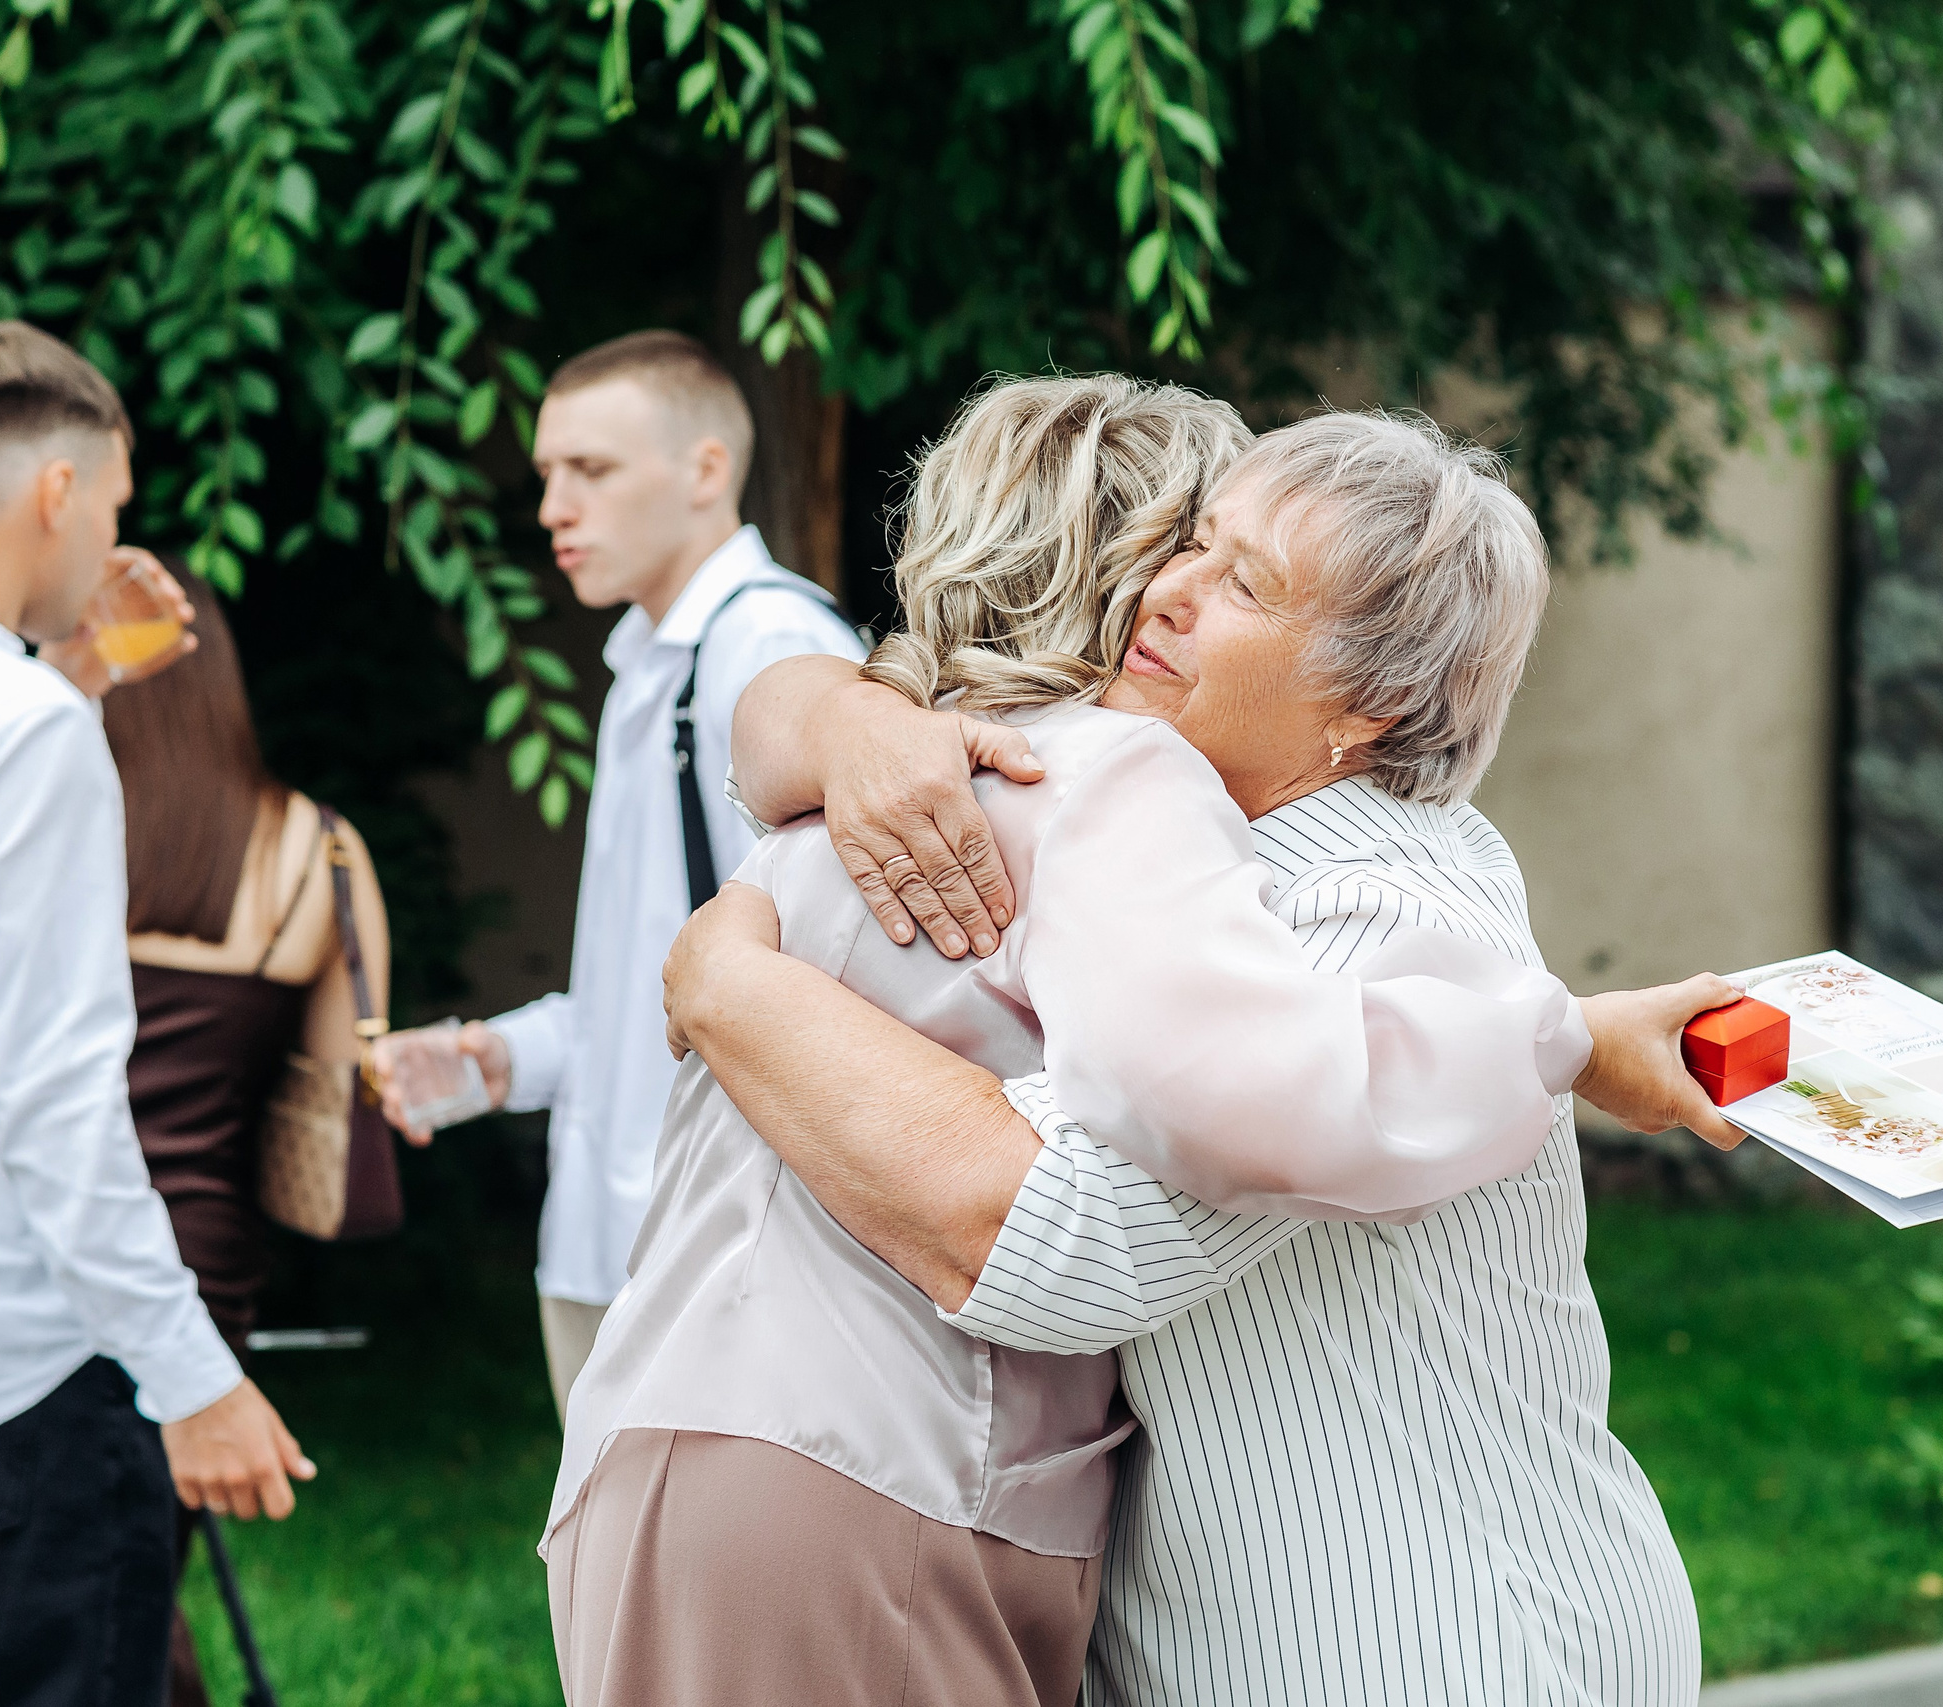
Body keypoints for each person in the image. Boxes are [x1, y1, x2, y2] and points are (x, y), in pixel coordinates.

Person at [543, 378, 1730, 1707]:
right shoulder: (1146, 839)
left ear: (1371, 708)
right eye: (1192, 547)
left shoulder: (1362, 899)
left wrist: (733, 988)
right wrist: (841, 714)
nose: (1170, 593)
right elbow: (776, 720)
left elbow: (1048, 1241)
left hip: (1451, 1636)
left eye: (1249, 586)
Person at [0, 321, 314, 1706]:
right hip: (10, 1399)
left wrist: (77, 675)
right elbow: (56, 1109)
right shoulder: (24, 737)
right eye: (113, 503)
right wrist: (192, 1378)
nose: (110, 539)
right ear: (56, 489)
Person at [365, 329, 863, 1420]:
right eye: (546, 474)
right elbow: (660, 972)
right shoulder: (647, 669)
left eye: (588, 471)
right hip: (611, 1240)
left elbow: (825, 978)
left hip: (712, 1253)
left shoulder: (765, 647)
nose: (550, 508)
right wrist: (502, 1059)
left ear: (704, 471)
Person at [104, 556, 391, 1707]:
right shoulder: (316, 850)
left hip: (24, 1251)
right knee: (131, 1573)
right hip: (202, 1271)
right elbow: (337, 1080)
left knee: (66, 1588)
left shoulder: (28, 818)